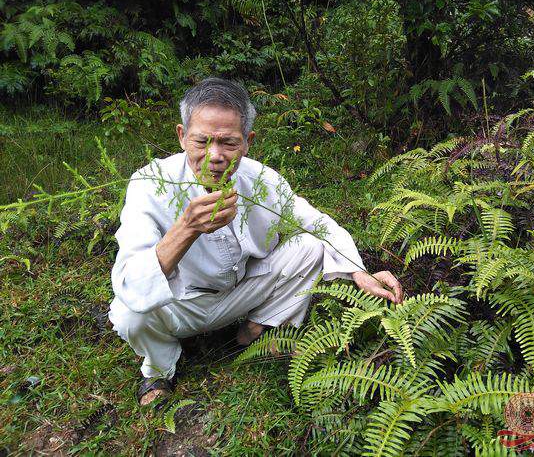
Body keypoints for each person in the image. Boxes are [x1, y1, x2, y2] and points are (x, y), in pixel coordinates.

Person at [108, 77, 404, 406]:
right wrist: (186, 228)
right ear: (181, 136)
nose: (215, 156)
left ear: (247, 141)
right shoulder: (149, 184)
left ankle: (258, 328)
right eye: (202, 141)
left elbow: (316, 223)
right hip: (179, 305)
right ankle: (160, 366)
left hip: (240, 293)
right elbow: (131, 282)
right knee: (128, 313)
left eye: (228, 143)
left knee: (310, 245)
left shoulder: (263, 181)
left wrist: (359, 271)